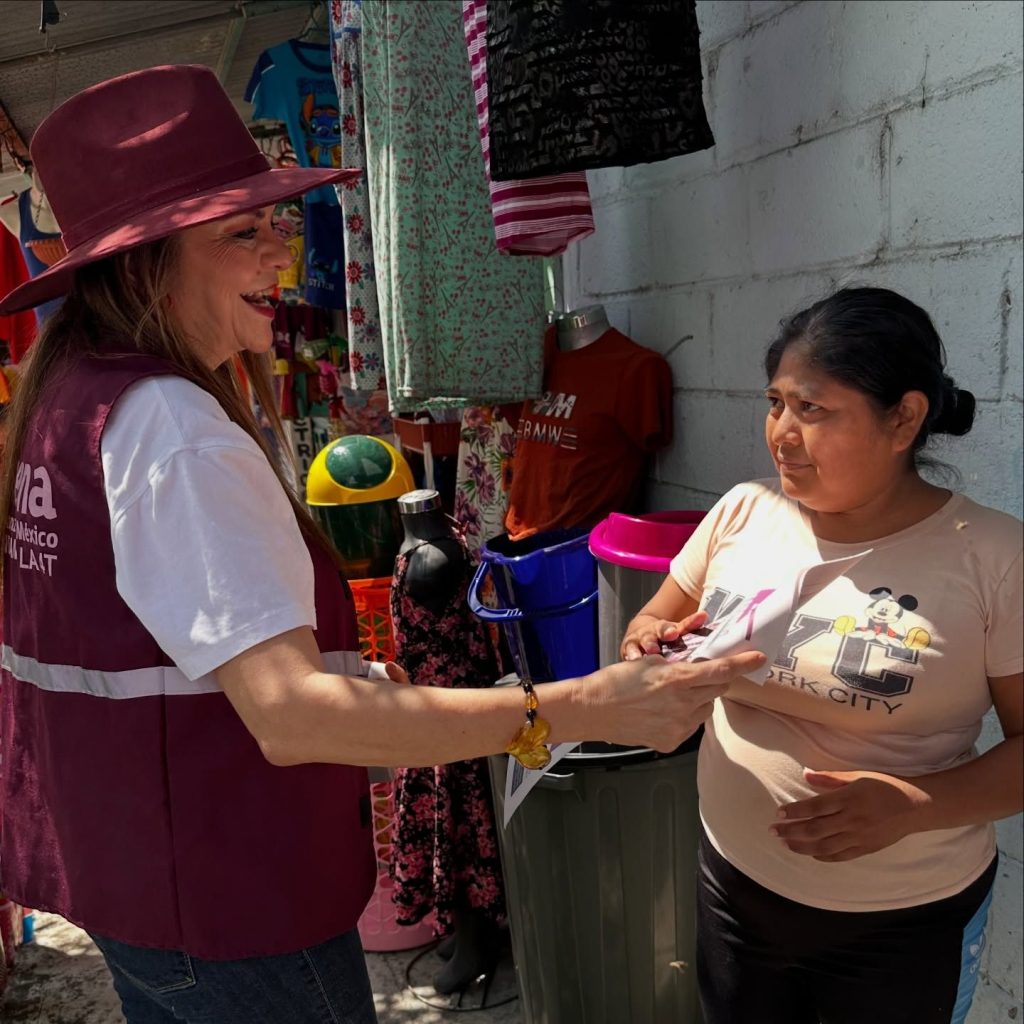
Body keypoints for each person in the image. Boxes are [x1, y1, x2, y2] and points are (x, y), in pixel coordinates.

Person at [0, 65, 764, 1024]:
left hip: (141, 891)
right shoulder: (174, 430)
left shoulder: (69, 400)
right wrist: (581, 707)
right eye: (243, 232)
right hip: (232, 902)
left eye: (275, 223)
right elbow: (290, 717)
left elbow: (150, 647)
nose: (283, 252)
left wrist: (348, 678)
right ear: (143, 263)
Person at [621, 287, 1023, 1024]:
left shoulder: (994, 556)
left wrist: (915, 807)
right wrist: (649, 646)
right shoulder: (744, 510)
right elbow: (654, 621)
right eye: (775, 403)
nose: (781, 433)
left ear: (903, 419)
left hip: (902, 924)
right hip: (733, 886)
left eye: (812, 408)